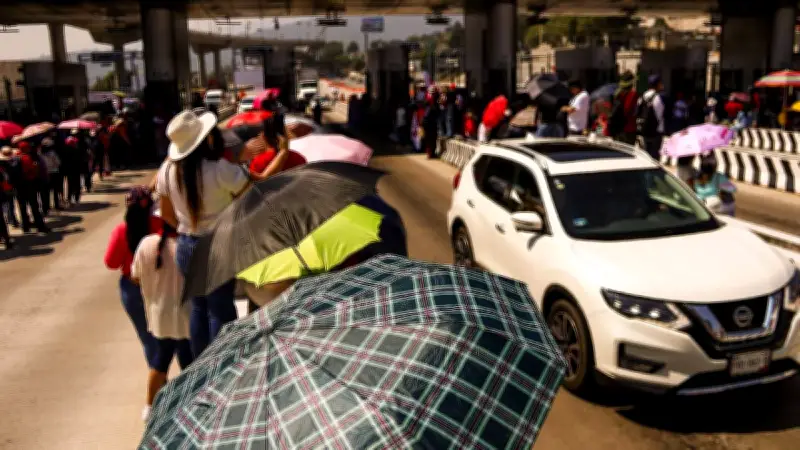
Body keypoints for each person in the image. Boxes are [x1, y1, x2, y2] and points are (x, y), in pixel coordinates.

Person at [156, 110, 288, 357]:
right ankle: (223, 365)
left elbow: (166, 214)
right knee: (220, 308)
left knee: (198, 306)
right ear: (205, 138)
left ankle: (201, 366)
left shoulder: (166, 170)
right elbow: (254, 191)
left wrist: (189, 226)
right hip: (220, 243)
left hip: (186, 244)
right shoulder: (220, 169)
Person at [103, 186, 160, 407]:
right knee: (166, 335)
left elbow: (111, 262)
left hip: (132, 286)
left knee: (147, 339)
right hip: (158, 284)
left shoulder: (121, 231)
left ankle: (158, 383)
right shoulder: (158, 226)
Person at [131, 222, 193, 422]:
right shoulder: (188, 245)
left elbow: (135, 275)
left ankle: (149, 408)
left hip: (161, 316)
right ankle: (191, 405)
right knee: (189, 363)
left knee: (160, 361)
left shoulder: (147, 243)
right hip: (186, 315)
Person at [15, 141, 49, 233]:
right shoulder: (26, 158)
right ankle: (40, 226)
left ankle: (25, 227)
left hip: (18, 187)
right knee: (34, 206)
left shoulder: (15, 157)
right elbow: (32, 172)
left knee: (22, 207)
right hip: (29, 185)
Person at [637, 74, 666, 160]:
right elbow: (660, 116)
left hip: (644, 131)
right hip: (656, 132)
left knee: (646, 155)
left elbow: (638, 112)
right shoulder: (658, 98)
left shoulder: (642, 97)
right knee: (655, 157)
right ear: (657, 84)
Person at [608, 71, 638, 144]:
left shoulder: (617, 93)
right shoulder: (632, 94)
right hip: (628, 128)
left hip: (617, 128)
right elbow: (628, 110)